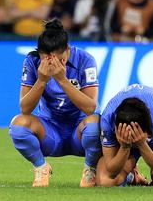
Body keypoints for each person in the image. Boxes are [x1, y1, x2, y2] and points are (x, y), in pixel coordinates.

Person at [8, 19, 101, 187]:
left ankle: (90, 169)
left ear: (68, 50)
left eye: (59, 59)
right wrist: (42, 80)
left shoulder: (85, 60)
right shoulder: (32, 60)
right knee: (18, 126)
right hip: (51, 132)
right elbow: (25, 108)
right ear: (40, 53)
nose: (53, 64)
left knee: (95, 124)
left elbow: (90, 108)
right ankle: (41, 167)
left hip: (80, 133)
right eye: (46, 59)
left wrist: (62, 80)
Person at [97, 84, 153, 187]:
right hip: (123, 144)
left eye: (135, 133)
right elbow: (111, 170)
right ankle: (131, 176)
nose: (132, 138)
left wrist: (142, 144)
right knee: (105, 181)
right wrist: (124, 147)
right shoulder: (108, 119)